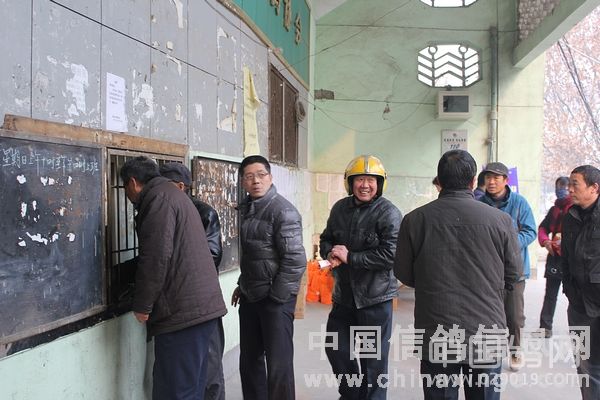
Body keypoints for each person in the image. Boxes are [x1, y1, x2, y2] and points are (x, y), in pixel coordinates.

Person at [394, 150, 522, 400]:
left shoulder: (415, 220)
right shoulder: (501, 220)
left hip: (437, 329)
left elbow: (404, 274)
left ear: (439, 181)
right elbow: (514, 273)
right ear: (474, 181)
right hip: (485, 329)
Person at [119, 156, 227, 400]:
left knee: (177, 390)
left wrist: (143, 305)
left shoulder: (158, 199)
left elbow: (155, 257)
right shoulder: (174, 196)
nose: (127, 194)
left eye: (125, 187)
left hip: (183, 315)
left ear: (133, 182)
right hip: (199, 309)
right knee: (192, 387)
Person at [320, 155, 402, 400]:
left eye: (371, 180)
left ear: (380, 183)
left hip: (374, 300)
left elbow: (391, 254)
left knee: (372, 363)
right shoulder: (339, 209)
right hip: (344, 298)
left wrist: (351, 258)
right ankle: (352, 395)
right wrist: (330, 253)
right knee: (336, 348)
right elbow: (326, 239)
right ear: (350, 182)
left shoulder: (389, 213)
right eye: (359, 179)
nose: (365, 185)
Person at [231, 155, 306, 400]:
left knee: (278, 365)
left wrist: (276, 298)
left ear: (270, 177)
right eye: (249, 176)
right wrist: (242, 285)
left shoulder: (283, 211)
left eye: (261, 175)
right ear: (243, 182)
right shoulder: (247, 208)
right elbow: (254, 255)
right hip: (251, 295)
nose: (256, 181)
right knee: (249, 360)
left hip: (275, 299)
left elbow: (295, 260)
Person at [159, 162, 225, 400]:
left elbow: (212, 255)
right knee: (184, 373)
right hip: (177, 305)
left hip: (201, 300)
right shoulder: (163, 208)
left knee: (209, 366)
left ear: (180, 186)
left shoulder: (203, 212)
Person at [479, 161, 537, 371]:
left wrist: (508, 244)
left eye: (496, 177)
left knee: (514, 316)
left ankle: (515, 351)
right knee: (486, 313)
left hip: (514, 271)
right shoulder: (479, 204)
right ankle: (489, 350)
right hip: (486, 271)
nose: (491, 182)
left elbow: (530, 231)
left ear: (506, 180)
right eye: (488, 177)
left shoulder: (520, 203)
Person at [561, 165, 600, 399]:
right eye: (569, 184)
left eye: (575, 184)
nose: (569, 189)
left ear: (594, 188)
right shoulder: (570, 217)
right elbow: (565, 258)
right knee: (585, 366)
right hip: (579, 306)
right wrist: (569, 289)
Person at [538, 176, 572, 339]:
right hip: (554, 257)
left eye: (564, 186)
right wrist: (545, 242)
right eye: (559, 186)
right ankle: (545, 327)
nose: (561, 190)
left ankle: (578, 329)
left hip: (571, 260)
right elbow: (543, 228)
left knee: (575, 296)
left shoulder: (575, 209)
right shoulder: (554, 210)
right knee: (550, 294)